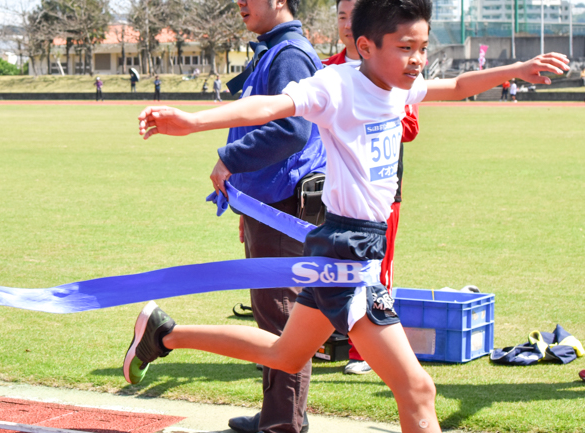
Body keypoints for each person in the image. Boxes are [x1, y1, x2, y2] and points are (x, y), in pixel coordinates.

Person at [130, 0, 567, 432]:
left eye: (422, 47)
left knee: (286, 354)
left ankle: (164, 334)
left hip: (352, 248)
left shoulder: (398, 85)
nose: (417, 60)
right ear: (366, 45)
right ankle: (166, 335)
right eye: (404, 47)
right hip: (348, 257)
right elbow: (270, 108)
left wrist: (515, 70)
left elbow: (454, 87)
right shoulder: (335, 86)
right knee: (417, 389)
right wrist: (193, 121)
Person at [135, 2, 326, 433]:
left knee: (281, 320)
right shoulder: (275, 50)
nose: (240, 2)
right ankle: (282, 415)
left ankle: (283, 424)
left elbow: (291, 130)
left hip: (284, 205)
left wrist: (230, 160)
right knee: (274, 315)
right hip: (271, 203)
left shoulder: (289, 53)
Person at [322, 0, 420, 376]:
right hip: (334, 196)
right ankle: (330, 339)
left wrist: (379, 110)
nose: (347, 24)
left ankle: (362, 352)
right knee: (331, 275)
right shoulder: (328, 72)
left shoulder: (394, 74)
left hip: (379, 196)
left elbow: (410, 128)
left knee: (378, 271)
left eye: (354, 16)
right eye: (342, 16)